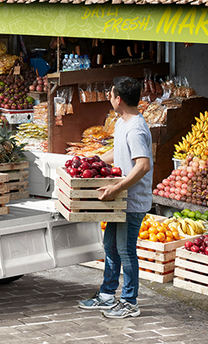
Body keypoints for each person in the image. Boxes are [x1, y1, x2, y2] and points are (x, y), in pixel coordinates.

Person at [78, 76, 153, 319]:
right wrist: (94, 160)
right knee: (110, 245)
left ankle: (130, 302)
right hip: (119, 200)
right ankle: (107, 294)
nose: (109, 98)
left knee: (126, 249)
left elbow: (143, 165)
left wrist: (118, 187)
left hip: (131, 200)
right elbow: (118, 151)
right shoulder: (122, 123)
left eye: (110, 94)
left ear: (118, 99)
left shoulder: (136, 128)